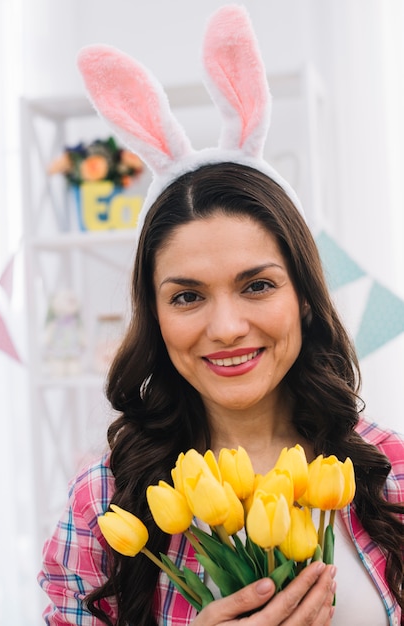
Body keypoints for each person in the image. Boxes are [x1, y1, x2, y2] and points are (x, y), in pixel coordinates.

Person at [38, 5, 404, 626]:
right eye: (187, 296)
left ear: (306, 296)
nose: (227, 326)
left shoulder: (385, 475)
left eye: (257, 285)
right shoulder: (104, 500)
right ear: (153, 315)